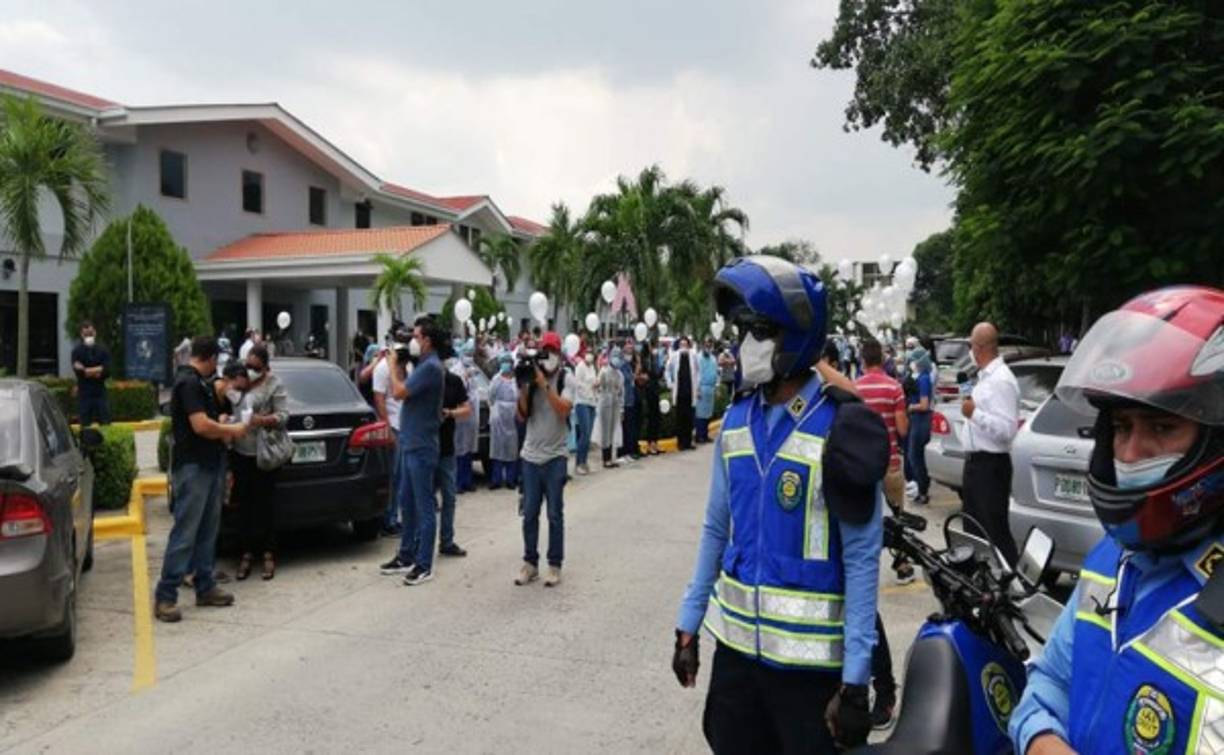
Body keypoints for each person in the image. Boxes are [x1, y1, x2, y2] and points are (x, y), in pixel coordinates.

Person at [673, 255, 888, 753]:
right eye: (741, 329)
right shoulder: (735, 422)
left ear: (794, 337)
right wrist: (688, 625)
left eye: (759, 330)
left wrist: (857, 679)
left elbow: (860, 557)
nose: (744, 343)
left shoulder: (842, 426)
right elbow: (714, 529)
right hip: (737, 665)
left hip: (811, 678)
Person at [1010, 286, 1224, 755]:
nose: (1129, 454)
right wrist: (1042, 740)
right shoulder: (1110, 560)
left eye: (1162, 428)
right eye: (1122, 428)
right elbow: (1047, 686)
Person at [155, 336, 249, 623]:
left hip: (210, 464)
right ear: (208, 358)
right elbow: (200, 426)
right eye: (215, 362)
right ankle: (166, 596)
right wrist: (233, 430)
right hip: (194, 467)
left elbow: (209, 419)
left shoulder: (200, 384)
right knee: (186, 533)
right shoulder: (189, 383)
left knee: (208, 531)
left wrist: (221, 420)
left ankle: (205, 586)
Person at [854, 338, 914, 730]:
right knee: (899, 523)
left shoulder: (854, 389)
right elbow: (904, 428)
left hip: (862, 473)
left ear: (862, 359)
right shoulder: (894, 387)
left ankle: (881, 688)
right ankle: (904, 558)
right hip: (890, 464)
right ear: (883, 358)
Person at [379, 317, 446, 586]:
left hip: (421, 445)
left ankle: (424, 563)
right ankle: (406, 554)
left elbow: (398, 392)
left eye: (416, 337)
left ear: (427, 340)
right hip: (410, 442)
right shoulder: (423, 365)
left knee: (423, 506)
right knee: (406, 502)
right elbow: (409, 389)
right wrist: (404, 365)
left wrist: (394, 366)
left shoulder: (431, 367)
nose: (413, 341)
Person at [514, 331, 574, 588]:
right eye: (544, 350)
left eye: (552, 351)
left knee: (554, 514)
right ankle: (530, 563)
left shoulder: (566, 377)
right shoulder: (532, 376)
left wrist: (545, 384)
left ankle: (554, 564)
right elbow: (521, 415)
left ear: (559, 354)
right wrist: (526, 387)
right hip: (530, 456)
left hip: (555, 456)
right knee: (529, 514)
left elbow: (563, 409)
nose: (548, 356)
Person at [959, 322, 1021, 566]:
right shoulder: (984, 378)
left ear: (981, 347)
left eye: (972, 345)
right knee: (973, 530)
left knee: (993, 530)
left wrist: (974, 414)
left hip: (991, 466)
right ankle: (981, 586)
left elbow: (1007, 430)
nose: (970, 351)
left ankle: (1010, 584)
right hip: (976, 464)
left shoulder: (1001, 380)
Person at [229, 344, 289, 581]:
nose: (250, 371)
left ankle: (268, 554)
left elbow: (284, 417)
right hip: (240, 453)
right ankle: (245, 554)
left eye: (255, 367)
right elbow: (227, 402)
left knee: (265, 506)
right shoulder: (239, 381)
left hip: (263, 455)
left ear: (264, 367)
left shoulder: (274, 384)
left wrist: (261, 420)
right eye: (248, 366)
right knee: (243, 506)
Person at [372, 334, 408, 536]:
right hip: (392, 426)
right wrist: (387, 428)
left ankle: (395, 516)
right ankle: (388, 519)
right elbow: (379, 400)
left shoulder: (403, 367)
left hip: (404, 426)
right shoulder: (383, 369)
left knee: (402, 476)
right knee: (393, 475)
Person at [436, 354, 470, 558]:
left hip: (447, 448)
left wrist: (450, 413)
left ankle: (446, 541)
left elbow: (467, 409)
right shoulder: (423, 379)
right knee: (424, 499)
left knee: (449, 496)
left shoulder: (454, 381)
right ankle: (419, 542)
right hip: (426, 448)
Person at [905, 347, 934, 505]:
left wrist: (910, 407)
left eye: (914, 360)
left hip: (921, 420)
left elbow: (924, 404)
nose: (912, 363)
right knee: (916, 456)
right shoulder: (922, 377)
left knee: (915, 456)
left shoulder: (923, 379)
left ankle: (922, 491)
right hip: (919, 420)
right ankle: (922, 489)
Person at [489, 354, 520, 489]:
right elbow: (491, 395)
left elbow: (519, 396)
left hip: (512, 414)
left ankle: (510, 479)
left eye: (508, 362)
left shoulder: (515, 380)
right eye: (504, 362)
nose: (506, 365)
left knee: (511, 448)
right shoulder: (496, 379)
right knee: (497, 447)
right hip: (499, 414)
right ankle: (496, 479)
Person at [71, 321, 111, 426]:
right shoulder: (77, 351)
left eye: (91, 333)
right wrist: (98, 369)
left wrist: (87, 370)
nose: (89, 336)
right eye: (86, 334)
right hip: (84, 394)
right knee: (85, 424)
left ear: (95, 333)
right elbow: (78, 372)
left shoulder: (103, 350)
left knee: (105, 422)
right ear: (81, 334)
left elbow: (107, 370)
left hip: (100, 393)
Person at [453, 349, 479, 493]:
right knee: (459, 448)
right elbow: (459, 391)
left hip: (471, 416)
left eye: (471, 354)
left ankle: (467, 480)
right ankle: (458, 482)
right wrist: (465, 377)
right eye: (467, 354)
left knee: (468, 449)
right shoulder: (456, 371)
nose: (469, 357)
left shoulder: (472, 370)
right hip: (461, 416)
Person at [668, 337, 700, 451]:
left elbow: (698, 371)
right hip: (679, 392)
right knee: (680, 418)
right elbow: (667, 370)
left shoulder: (693, 356)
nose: (683, 347)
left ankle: (688, 442)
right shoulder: (674, 356)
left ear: (688, 346)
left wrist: (698, 386)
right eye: (681, 344)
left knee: (689, 419)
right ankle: (680, 443)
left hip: (690, 391)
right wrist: (670, 383)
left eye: (685, 344)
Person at [572, 349, 599, 475]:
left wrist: (596, 385)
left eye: (591, 353)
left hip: (592, 403)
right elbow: (578, 386)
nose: (590, 355)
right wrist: (590, 389)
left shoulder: (592, 367)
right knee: (584, 432)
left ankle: (584, 461)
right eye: (587, 352)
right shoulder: (579, 367)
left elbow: (593, 382)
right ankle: (579, 463)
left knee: (588, 435)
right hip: (582, 402)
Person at [597, 351, 624, 469]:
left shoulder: (620, 374)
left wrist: (622, 408)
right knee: (605, 431)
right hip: (605, 403)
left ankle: (612, 457)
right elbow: (599, 386)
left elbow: (622, 392)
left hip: (615, 403)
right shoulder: (603, 371)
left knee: (613, 430)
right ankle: (605, 458)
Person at [619, 342, 642, 460]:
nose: (630, 353)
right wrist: (637, 368)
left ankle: (631, 449)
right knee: (626, 427)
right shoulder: (623, 365)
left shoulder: (628, 365)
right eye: (628, 351)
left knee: (631, 426)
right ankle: (626, 451)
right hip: (625, 400)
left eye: (631, 351)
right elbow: (629, 379)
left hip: (631, 399)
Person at [640, 342, 664, 455]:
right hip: (648, 391)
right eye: (651, 346)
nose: (653, 349)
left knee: (656, 418)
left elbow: (658, 374)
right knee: (651, 418)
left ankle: (655, 443)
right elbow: (651, 374)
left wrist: (662, 364)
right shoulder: (644, 361)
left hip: (655, 390)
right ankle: (650, 444)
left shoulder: (654, 360)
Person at [694, 339, 720, 444]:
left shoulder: (713, 359)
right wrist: (697, 389)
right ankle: (698, 436)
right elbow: (696, 375)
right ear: (702, 346)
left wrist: (717, 387)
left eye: (710, 345)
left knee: (708, 414)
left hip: (711, 388)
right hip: (702, 388)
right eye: (706, 345)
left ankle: (705, 435)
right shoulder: (698, 358)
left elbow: (717, 373)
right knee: (700, 414)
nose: (708, 347)